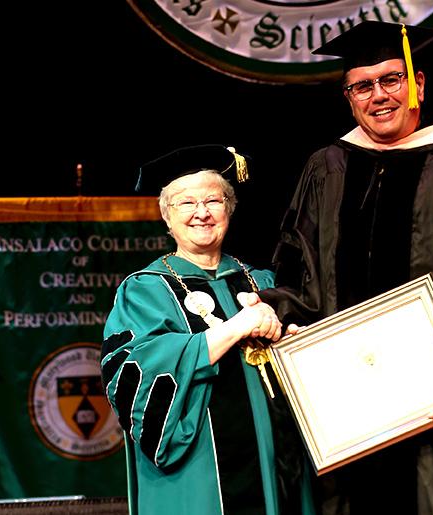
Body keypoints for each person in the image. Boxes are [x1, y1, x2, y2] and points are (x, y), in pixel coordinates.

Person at [258, 21, 433, 515]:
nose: (379, 96)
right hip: (344, 408)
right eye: (363, 86)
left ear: (417, 85)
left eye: (391, 80)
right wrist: (285, 317)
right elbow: (297, 265)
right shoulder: (326, 167)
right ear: (349, 97)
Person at [100, 144, 316, 515]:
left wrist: (297, 346)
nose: (202, 213)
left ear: (229, 209)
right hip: (200, 474)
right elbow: (136, 373)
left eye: (214, 201)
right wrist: (233, 330)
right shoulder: (145, 290)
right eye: (186, 204)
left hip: (282, 467)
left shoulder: (262, 281)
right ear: (167, 217)